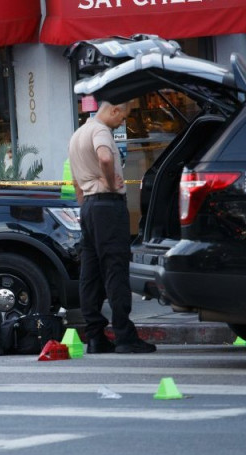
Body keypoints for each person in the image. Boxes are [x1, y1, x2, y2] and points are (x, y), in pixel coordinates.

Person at [68, 100, 156, 354]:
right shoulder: (100, 130)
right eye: (123, 116)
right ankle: (124, 335)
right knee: (115, 269)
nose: (122, 122)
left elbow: (76, 181)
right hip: (107, 206)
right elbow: (105, 157)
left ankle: (95, 336)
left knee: (90, 273)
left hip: (89, 208)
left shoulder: (77, 134)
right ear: (115, 110)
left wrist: (86, 204)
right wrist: (108, 184)